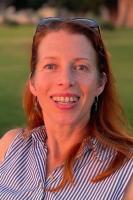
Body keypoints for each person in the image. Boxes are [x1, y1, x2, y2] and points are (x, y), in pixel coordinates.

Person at [0, 17, 133, 200]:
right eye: (51, 66)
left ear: (100, 83)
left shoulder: (127, 170)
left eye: (81, 67)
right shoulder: (10, 146)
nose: (66, 80)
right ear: (33, 82)